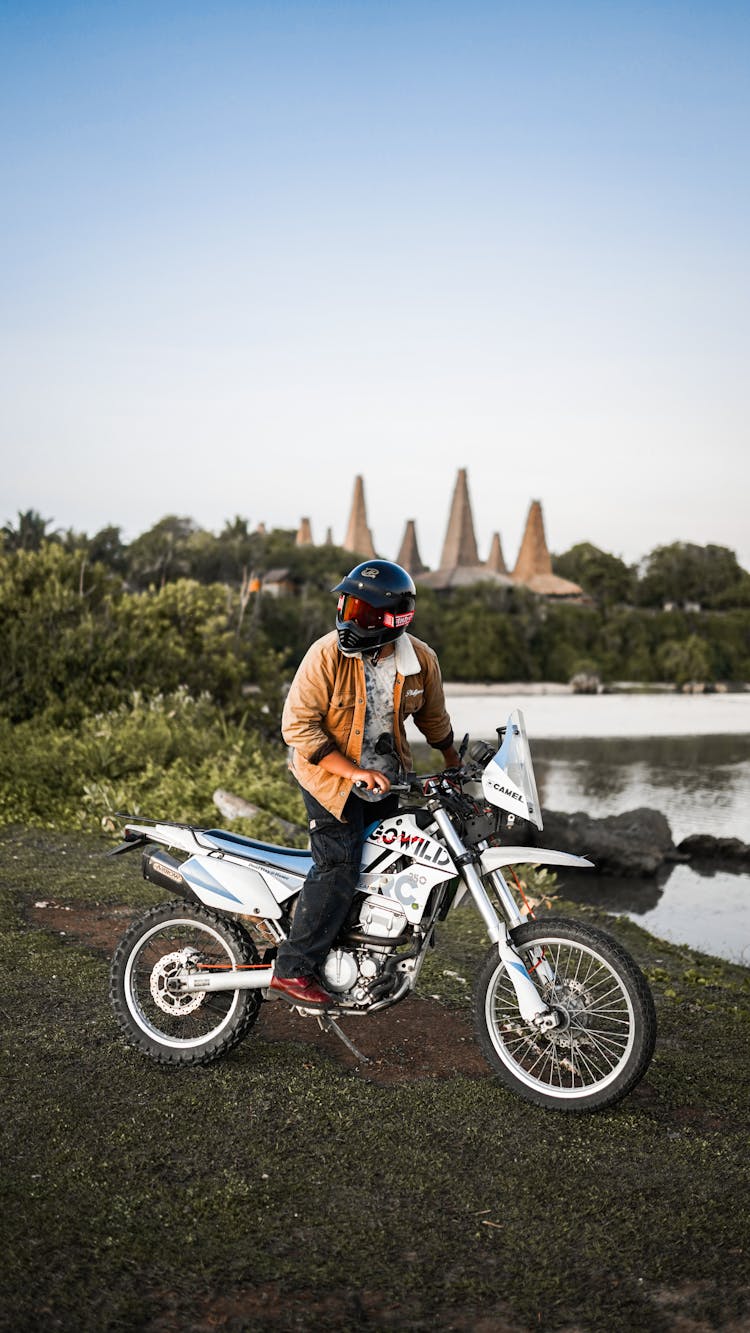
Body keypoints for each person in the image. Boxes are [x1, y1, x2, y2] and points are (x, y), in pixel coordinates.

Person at [270, 558, 460, 1008]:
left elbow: (434, 721)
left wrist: (455, 764)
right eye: (347, 604)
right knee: (339, 865)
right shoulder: (327, 654)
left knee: (385, 867)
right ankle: (293, 969)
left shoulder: (420, 662)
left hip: (386, 780)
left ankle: (358, 952)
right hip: (328, 779)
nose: (348, 616)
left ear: (390, 620)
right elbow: (297, 727)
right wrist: (353, 772)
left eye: (360, 611)